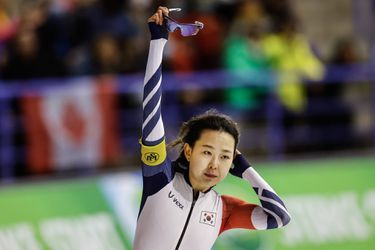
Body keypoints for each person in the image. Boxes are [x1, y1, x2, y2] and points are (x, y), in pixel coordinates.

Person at [134, 7, 291, 250]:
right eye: (207, 152)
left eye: (225, 157)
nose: (214, 164)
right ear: (188, 151)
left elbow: (280, 217)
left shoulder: (224, 210)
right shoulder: (160, 179)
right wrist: (158, 43)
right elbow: (151, 112)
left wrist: (246, 169)